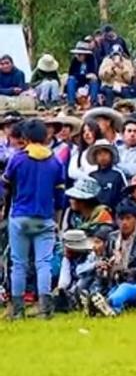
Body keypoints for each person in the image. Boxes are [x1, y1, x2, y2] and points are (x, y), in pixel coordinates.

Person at [3, 119, 65, 319]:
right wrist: (57, 218)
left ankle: (17, 309)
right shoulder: (55, 161)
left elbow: (5, 186)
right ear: (46, 136)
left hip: (20, 216)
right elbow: (60, 196)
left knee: (19, 263)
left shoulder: (18, 159)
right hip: (45, 218)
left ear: (25, 138)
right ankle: (45, 308)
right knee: (43, 263)